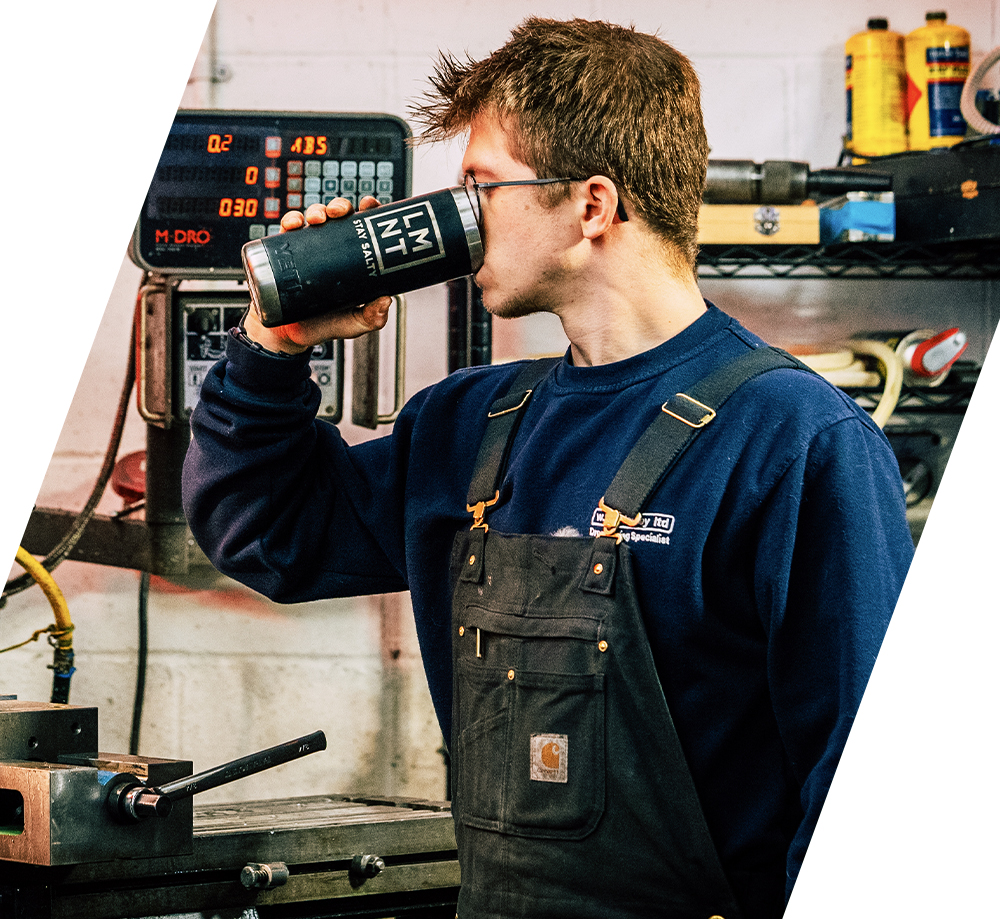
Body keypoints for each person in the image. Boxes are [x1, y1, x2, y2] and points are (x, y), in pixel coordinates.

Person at [182, 17, 914, 919]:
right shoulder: (469, 424)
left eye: (480, 186)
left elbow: (868, 790)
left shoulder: (796, 442)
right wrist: (272, 345)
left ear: (593, 205)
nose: (455, 218)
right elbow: (266, 535)